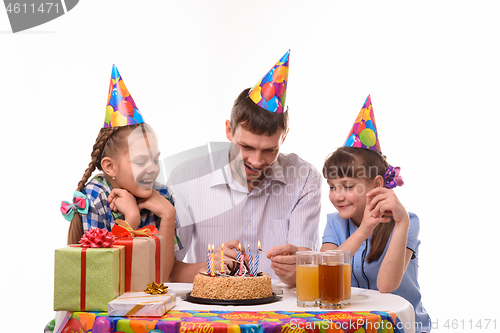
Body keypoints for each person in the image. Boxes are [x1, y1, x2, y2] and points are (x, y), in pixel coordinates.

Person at [167, 50, 321, 285]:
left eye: (270, 150)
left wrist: (297, 271)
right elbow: (166, 272)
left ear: (284, 137)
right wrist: (208, 267)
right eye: (246, 146)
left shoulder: (305, 179)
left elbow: (307, 273)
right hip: (212, 315)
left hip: (281, 316)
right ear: (229, 130)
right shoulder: (186, 177)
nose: (257, 161)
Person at [321, 95, 430, 332]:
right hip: (354, 325)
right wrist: (363, 231)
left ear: (376, 183)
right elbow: (323, 273)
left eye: (348, 186)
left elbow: (386, 285)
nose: (337, 195)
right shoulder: (334, 223)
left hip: (398, 326)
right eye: (332, 186)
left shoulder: (407, 222)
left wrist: (400, 224)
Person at [60, 65, 181, 279]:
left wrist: (168, 216)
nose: (153, 168)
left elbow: (160, 277)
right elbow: (99, 276)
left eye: (155, 159)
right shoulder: (95, 198)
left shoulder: (162, 197)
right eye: (141, 161)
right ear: (109, 167)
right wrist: (130, 220)